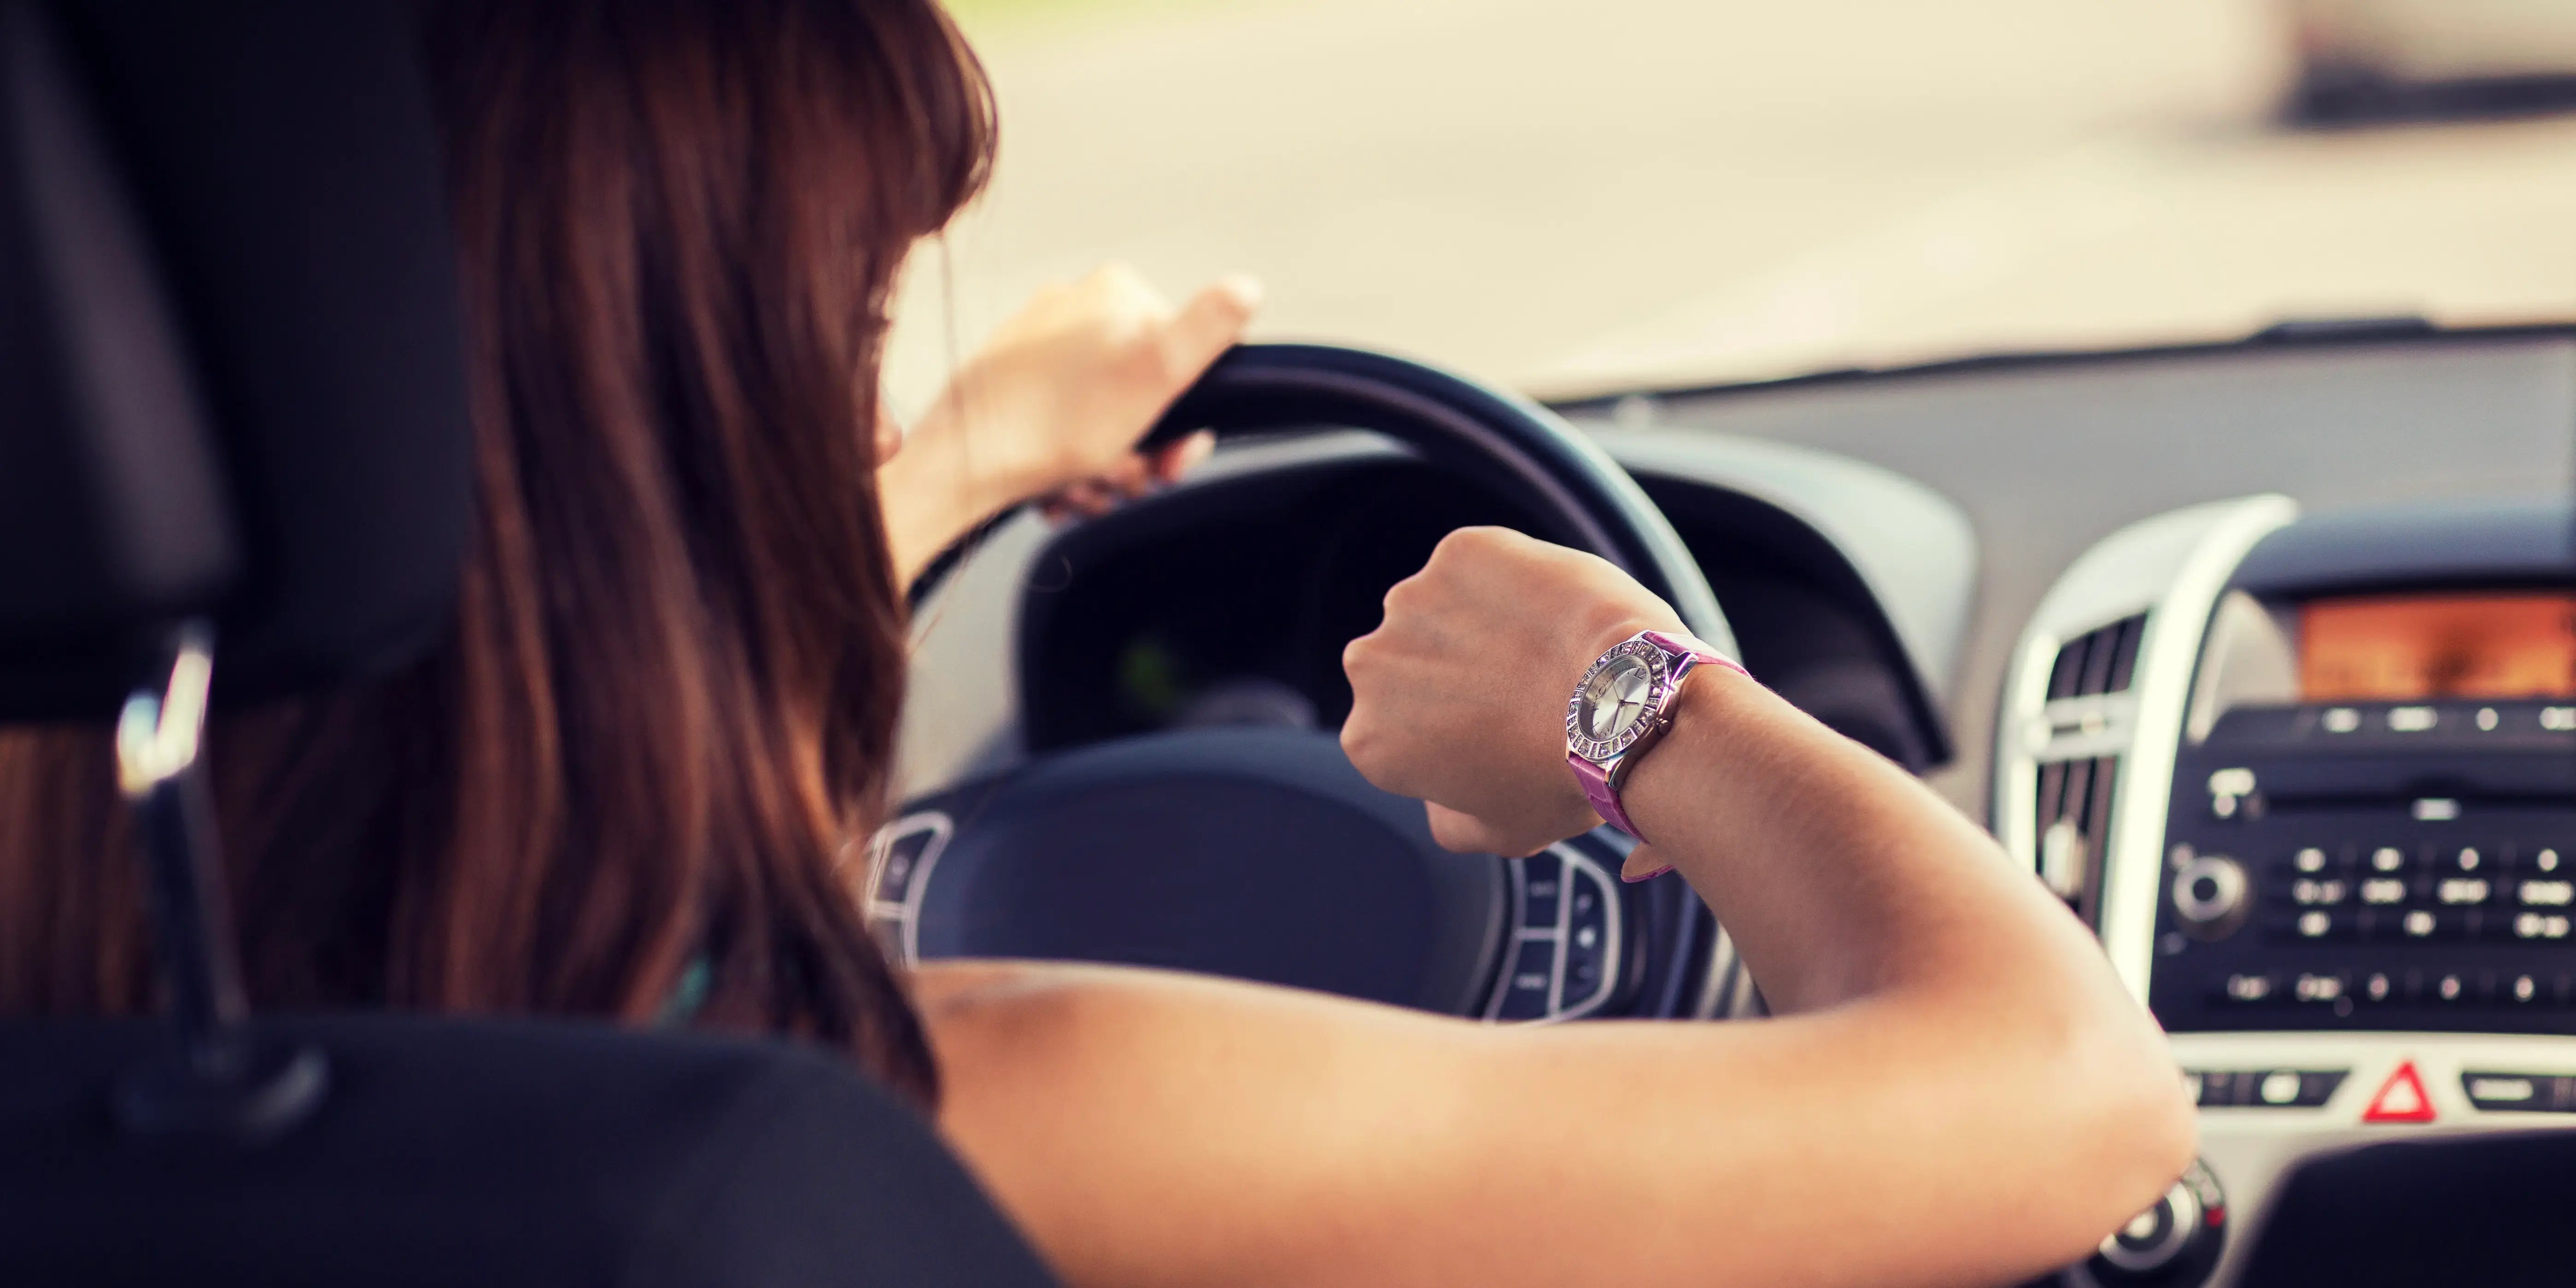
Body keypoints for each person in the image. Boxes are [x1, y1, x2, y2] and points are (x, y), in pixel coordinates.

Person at [0, 2, 2196, 1286]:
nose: (863, 408)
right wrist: (1638, 701)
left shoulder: (93, 1081)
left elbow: (501, 665)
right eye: (842, 342)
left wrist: (948, 464)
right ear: (658, 451)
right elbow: (2067, 1101)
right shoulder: (888, 1128)